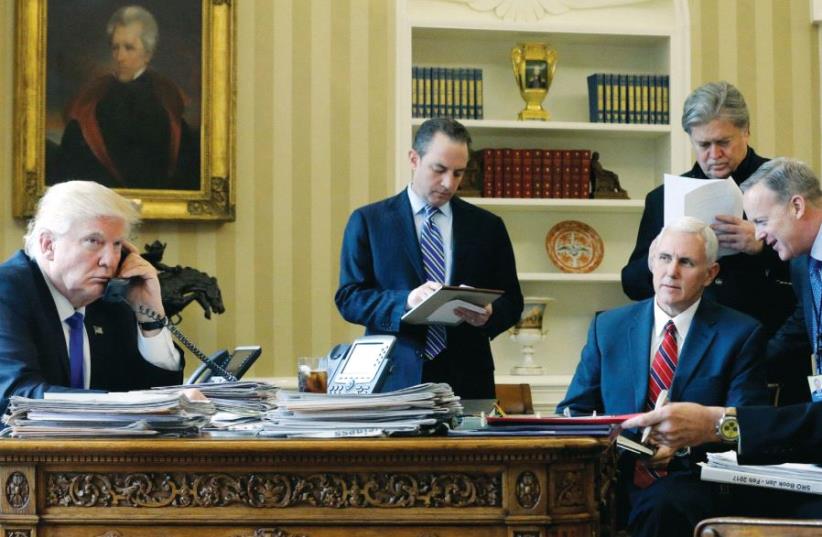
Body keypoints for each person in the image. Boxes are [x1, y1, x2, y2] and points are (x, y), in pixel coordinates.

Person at [622, 157, 822, 519]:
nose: (757, 235)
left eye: (760, 221)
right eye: (664, 258)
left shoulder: (738, 332)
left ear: (796, 205)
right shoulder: (802, 265)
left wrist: (715, 423)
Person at [559, 216, 768, 537]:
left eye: (686, 262)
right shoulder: (608, 328)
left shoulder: (740, 334)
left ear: (710, 274)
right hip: (613, 473)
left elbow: (745, 427)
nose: (672, 271)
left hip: (692, 479)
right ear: (651, 262)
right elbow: (573, 412)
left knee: (663, 504)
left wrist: (685, 443)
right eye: (665, 258)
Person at [621, 81, 804, 403]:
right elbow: (633, 284)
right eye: (703, 144)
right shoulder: (663, 199)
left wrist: (761, 246)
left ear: (745, 132)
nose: (714, 155)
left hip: (770, 351)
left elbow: (814, 269)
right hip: (689, 359)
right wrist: (659, 259)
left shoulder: (784, 185)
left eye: (724, 142)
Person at [335, 118, 524, 398]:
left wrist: (489, 314)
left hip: (468, 382)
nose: (448, 183)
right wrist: (406, 301)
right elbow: (349, 298)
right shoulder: (369, 221)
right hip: (392, 380)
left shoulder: (487, 226)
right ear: (414, 159)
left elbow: (513, 301)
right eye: (439, 170)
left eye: (458, 173)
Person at [0, 180, 184, 412]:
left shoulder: (111, 302)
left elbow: (158, 399)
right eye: (93, 242)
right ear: (48, 245)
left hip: (102, 449)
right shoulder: (8, 292)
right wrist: (118, 403)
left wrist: (150, 317)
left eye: (117, 245)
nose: (109, 261)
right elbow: (17, 396)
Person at [54, 5, 199, 190]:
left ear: (148, 53)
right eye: (115, 48)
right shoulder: (93, 98)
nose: (119, 57)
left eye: (129, 48)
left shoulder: (166, 101)